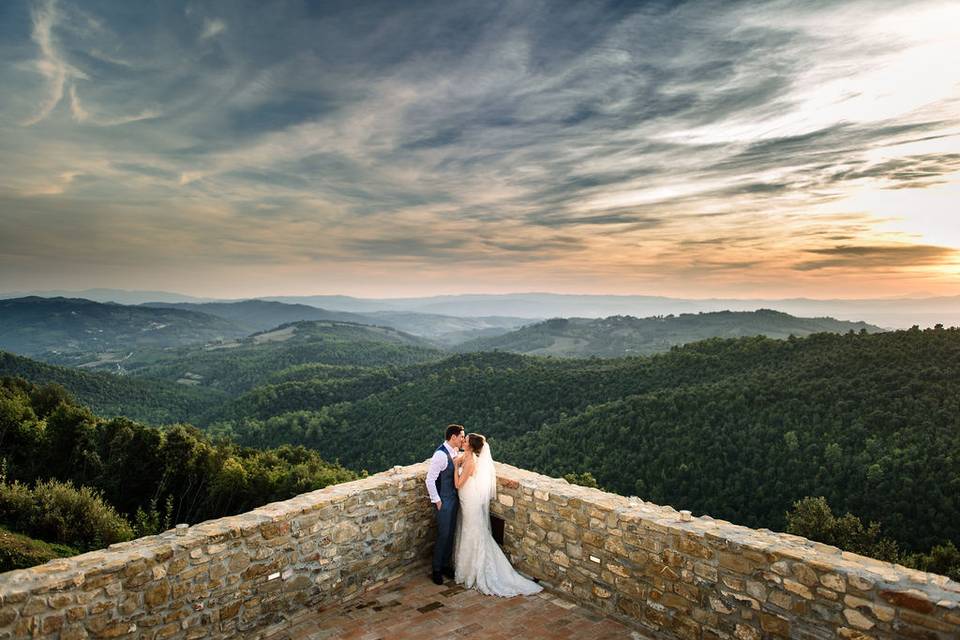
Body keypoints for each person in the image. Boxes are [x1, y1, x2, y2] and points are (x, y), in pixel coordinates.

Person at [452, 433, 542, 597]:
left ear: (470, 446)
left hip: (469, 500)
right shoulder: (467, 456)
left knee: (472, 532)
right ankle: (467, 568)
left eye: (465, 441)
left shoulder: (471, 462)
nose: (462, 441)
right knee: (469, 531)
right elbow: (462, 463)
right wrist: (459, 462)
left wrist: (454, 467)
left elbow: (458, 484)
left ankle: (474, 570)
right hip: (467, 498)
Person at [425, 424, 465, 585]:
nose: (463, 439)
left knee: (450, 534)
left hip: (454, 499)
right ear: (453, 437)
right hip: (444, 500)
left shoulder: (455, 452)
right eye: (461, 436)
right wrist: (438, 501)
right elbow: (430, 480)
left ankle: (445, 565)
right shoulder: (440, 455)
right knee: (443, 534)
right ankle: (436, 569)